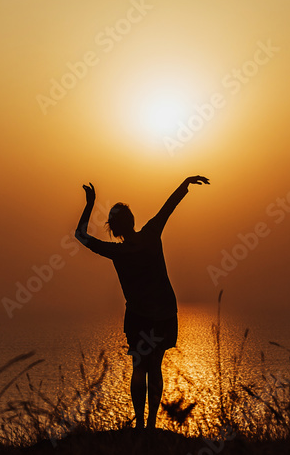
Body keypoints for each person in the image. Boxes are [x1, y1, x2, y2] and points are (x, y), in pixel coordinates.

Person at [75, 176, 210, 430]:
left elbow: (80, 234)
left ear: (113, 229)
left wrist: (90, 203)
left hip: (139, 317)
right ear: (133, 222)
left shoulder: (116, 251)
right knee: (154, 367)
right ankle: (149, 425)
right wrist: (185, 183)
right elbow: (168, 207)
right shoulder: (150, 233)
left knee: (140, 367)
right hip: (165, 315)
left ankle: (140, 426)